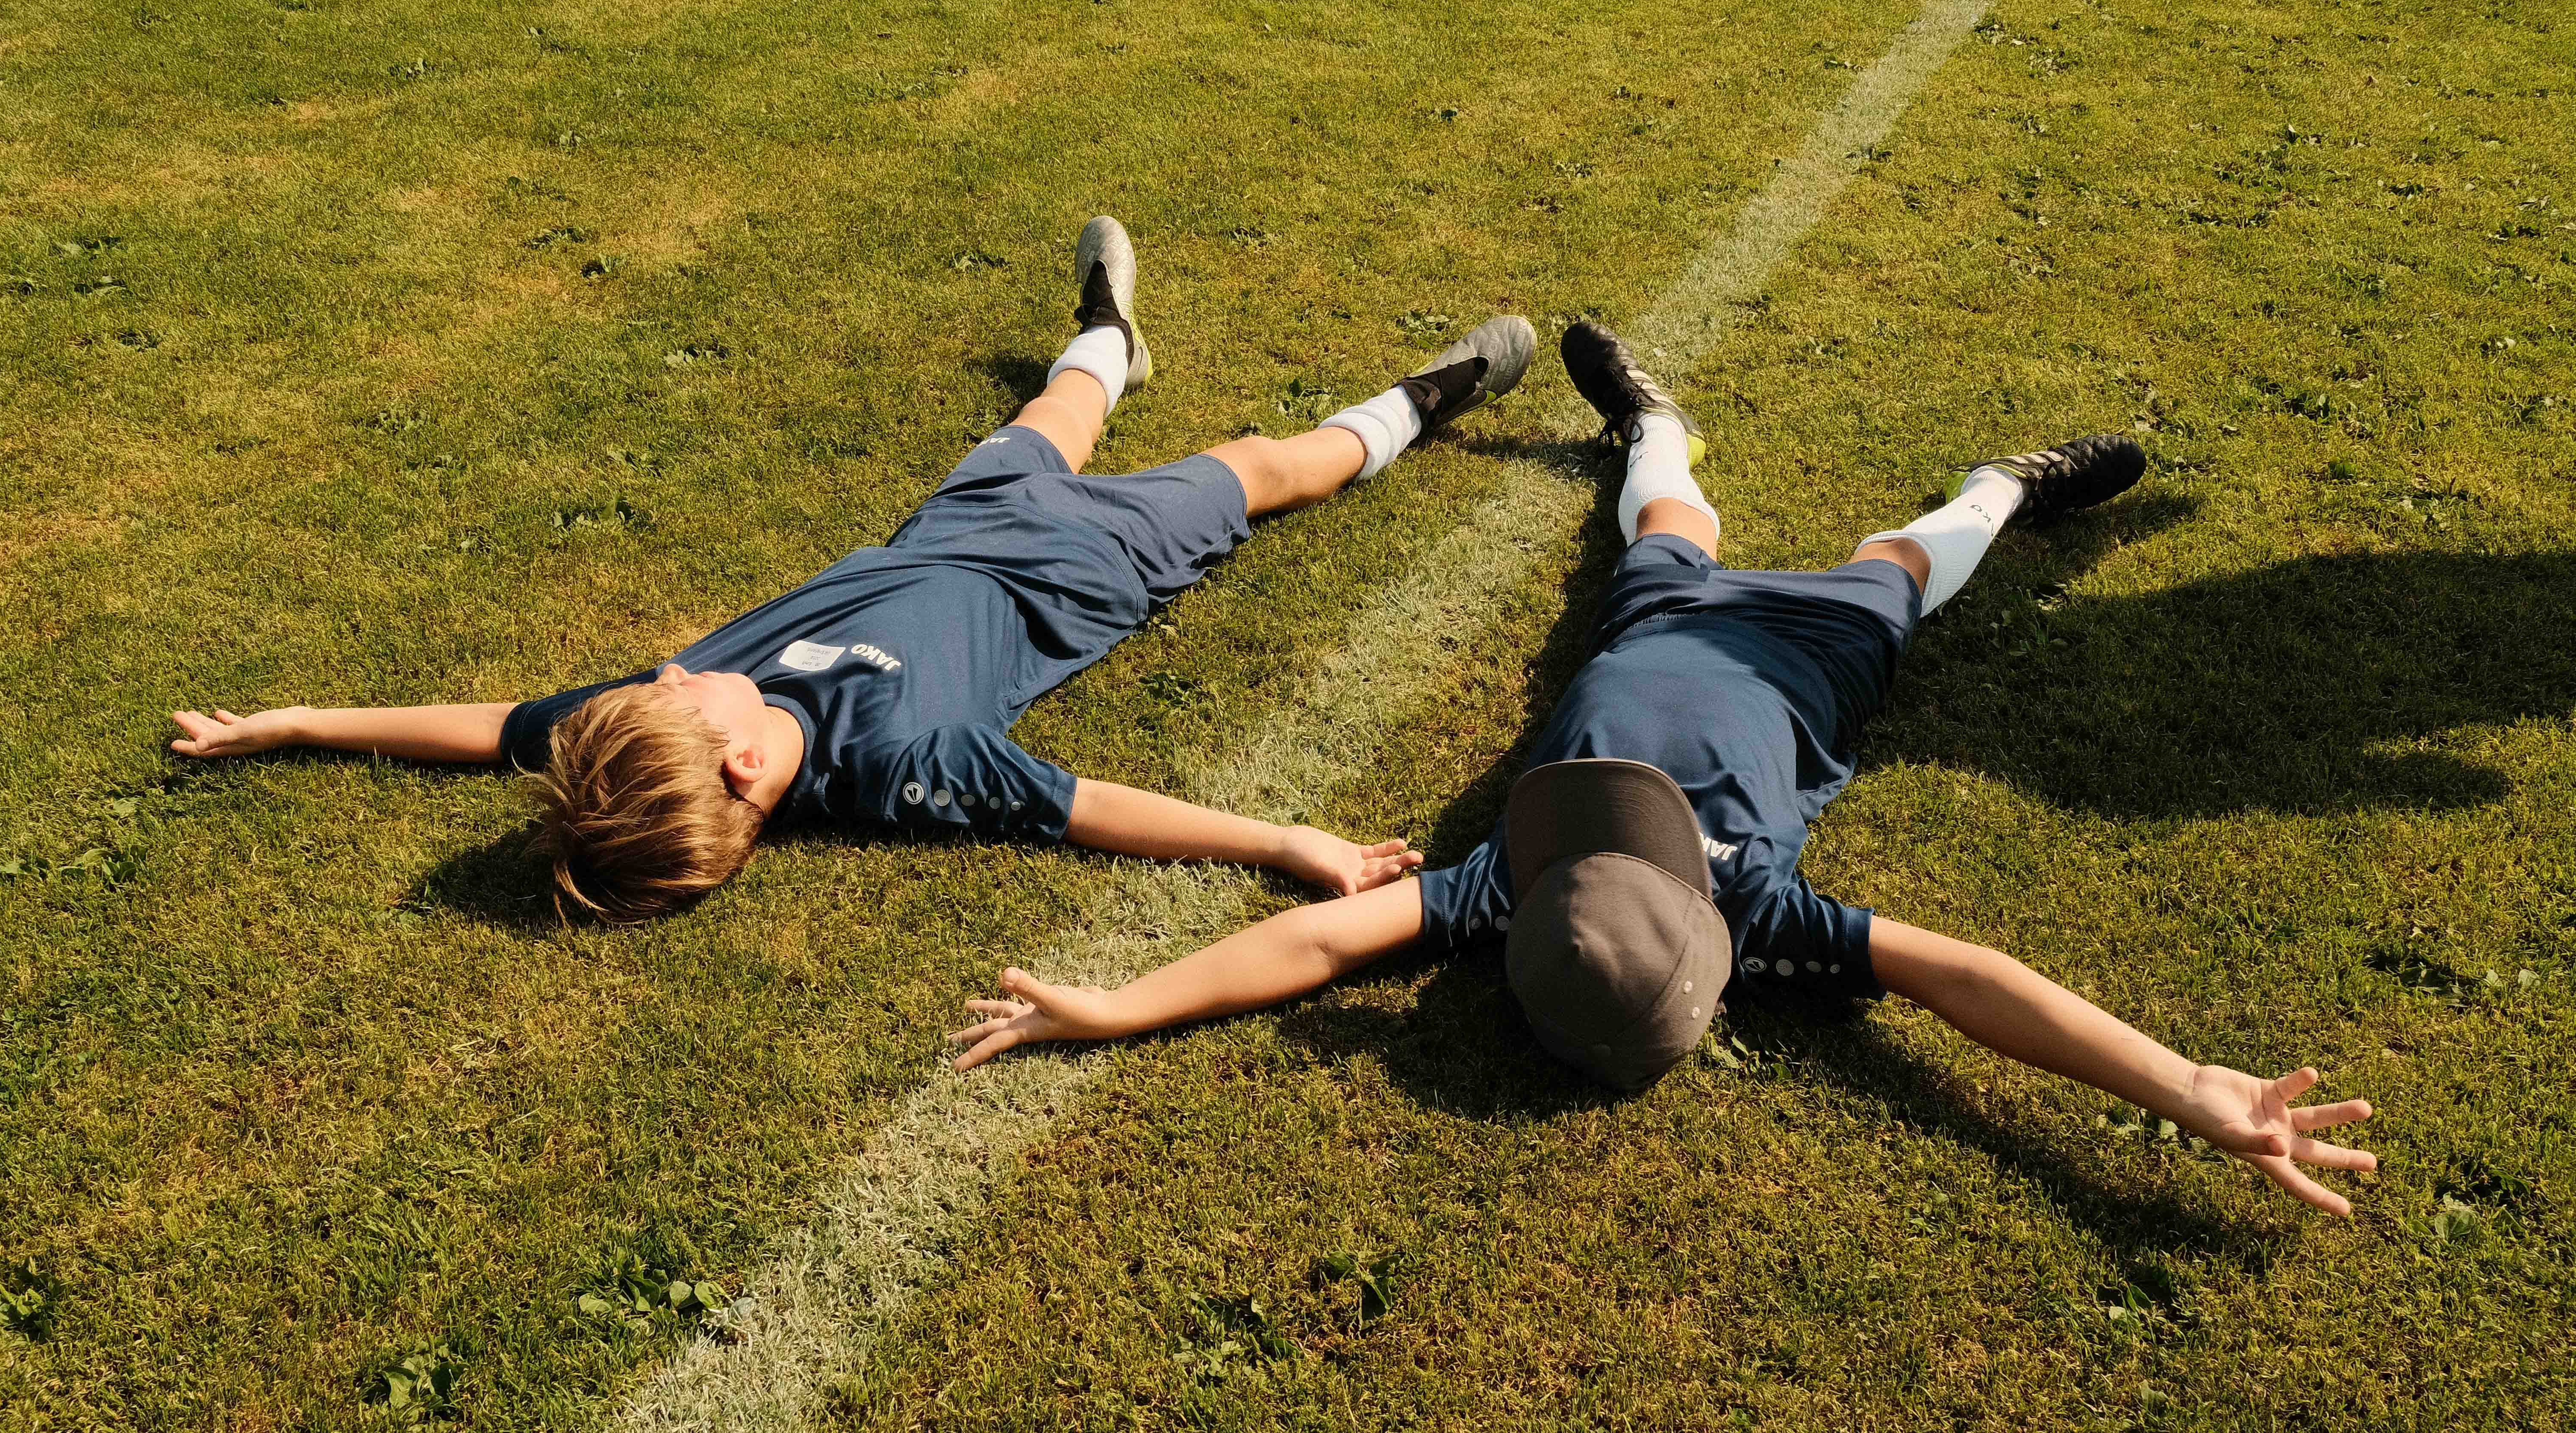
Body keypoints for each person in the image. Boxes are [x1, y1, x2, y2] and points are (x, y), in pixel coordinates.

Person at [951, 321, 2380, 1217]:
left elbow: (1321, 939)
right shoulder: (1758, 917)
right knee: (1898, 565)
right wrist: (2183, 1083)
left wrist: (1123, 1005)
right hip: (1804, 666)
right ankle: (2008, 486)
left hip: (1653, 624)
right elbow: (1971, 977)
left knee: (1665, 523)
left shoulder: (1514, 888)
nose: (1598, 825)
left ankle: (1649, 422)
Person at [170, 218, 1540, 920]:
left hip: (948, 529)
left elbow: (491, 731)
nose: (671, 670)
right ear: (749, 775)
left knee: (1054, 417)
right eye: (684, 700)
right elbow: (1090, 807)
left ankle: (1109, 335)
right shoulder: (901, 763)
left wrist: (298, 723)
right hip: (1086, 570)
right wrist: (1285, 841)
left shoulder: (647, 727)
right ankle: (1419, 404)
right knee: (1261, 462)